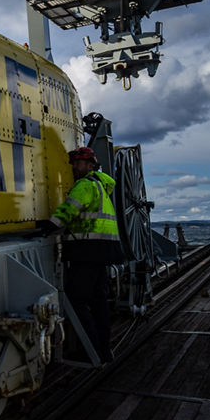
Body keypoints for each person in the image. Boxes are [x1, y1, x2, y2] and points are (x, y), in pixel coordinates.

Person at [41, 146, 124, 364]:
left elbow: (69, 210)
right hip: (103, 250)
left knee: (76, 299)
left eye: (79, 163)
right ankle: (103, 350)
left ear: (90, 165)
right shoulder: (101, 186)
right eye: (74, 163)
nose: (75, 168)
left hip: (87, 250)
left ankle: (90, 349)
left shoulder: (85, 185)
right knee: (99, 302)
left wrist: (49, 226)